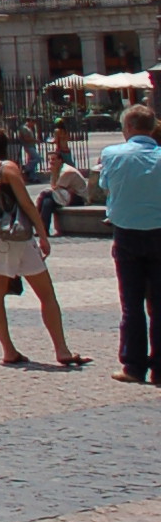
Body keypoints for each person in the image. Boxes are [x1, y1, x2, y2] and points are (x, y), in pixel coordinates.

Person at [0, 123, 84, 369]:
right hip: (16, 235)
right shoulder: (6, 168)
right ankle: (61, 349)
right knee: (46, 293)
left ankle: (8, 350)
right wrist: (42, 234)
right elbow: (26, 203)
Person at [101, 104, 161, 383]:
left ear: (128, 127)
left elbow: (105, 185)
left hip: (126, 233)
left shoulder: (111, 154)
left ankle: (133, 366)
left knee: (131, 303)